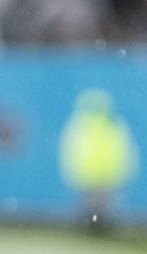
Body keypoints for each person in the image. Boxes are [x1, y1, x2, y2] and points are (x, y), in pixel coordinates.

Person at [57, 87, 138, 236]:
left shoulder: (78, 125)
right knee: (96, 209)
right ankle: (96, 230)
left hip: (95, 175)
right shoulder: (114, 125)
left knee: (98, 210)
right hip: (103, 175)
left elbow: (69, 149)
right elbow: (127, 149)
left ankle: (95, 230)